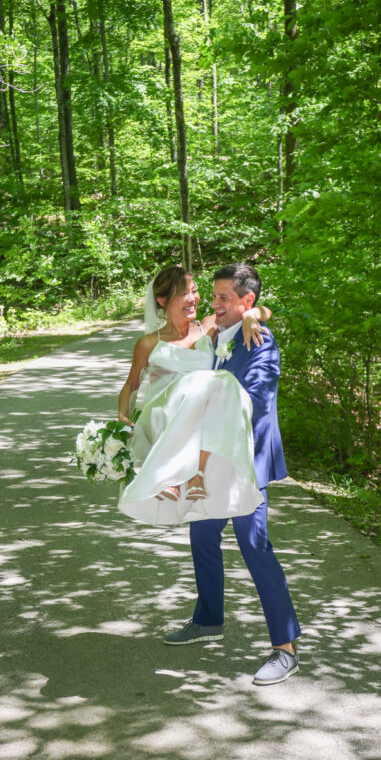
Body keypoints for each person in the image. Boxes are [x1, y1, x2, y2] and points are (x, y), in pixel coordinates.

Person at [164, 263, 301, 686]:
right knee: (202, 537)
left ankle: (286, 648)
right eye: (214, 295)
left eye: (225, 297)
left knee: (254, 546)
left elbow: (256, 396)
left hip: (244, 459)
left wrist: (203, 398)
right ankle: (208, 619)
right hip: (209, 459)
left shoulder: (259, 338)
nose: (215, 303)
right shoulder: (218, 330)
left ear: (247, 301)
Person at [117, 265, 272, 527]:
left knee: (215, 386)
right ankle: (177, 475)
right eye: (183, 294)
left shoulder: (209, 327)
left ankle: (195, 475)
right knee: (208, 385)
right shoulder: (148, 343)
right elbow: (131, 385)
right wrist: (121, 414)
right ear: (162, 300)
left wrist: (251, 315)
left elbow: (263, 310)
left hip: (200, 413)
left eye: (195, 291)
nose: (193, 299)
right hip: (163, 413)